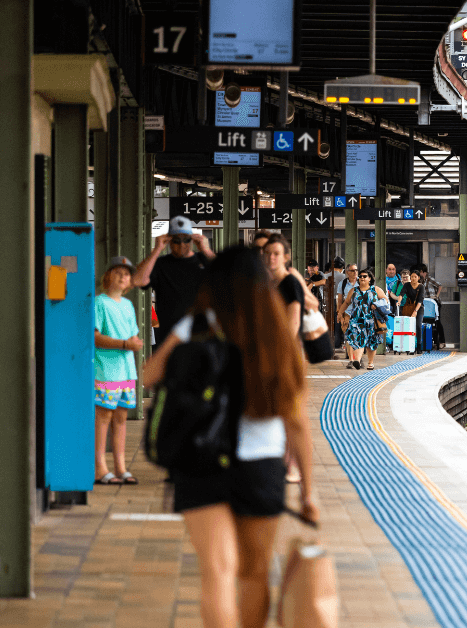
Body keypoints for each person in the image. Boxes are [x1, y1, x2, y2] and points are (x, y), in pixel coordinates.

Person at [143, 246, 316, 628]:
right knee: (253, 574)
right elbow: (297, 422)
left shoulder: (199, 324)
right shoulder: (275, 333)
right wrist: (308, 493)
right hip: (261, 466)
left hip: (200, 461)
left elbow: (149, 375)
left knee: (217, 573)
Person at [93, 256, 143, 485]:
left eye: (127, 274)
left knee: (121, 417)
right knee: (104, 417)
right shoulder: (99, 303)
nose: (123, 277)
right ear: (108, 276)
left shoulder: (128, 305)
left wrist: (133, 343)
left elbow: (132, 334)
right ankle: (99, 466)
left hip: (126, 371)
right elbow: (94, 337)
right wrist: (125, 345)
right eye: (118, 272)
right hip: (106, 369)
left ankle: (120, 466)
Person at [132, 216, 214, 347]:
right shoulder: (161, 264)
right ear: (169, 241)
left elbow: (228, 275)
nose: (182, 244)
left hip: (201, 334)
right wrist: (157, 249)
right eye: (176, 240)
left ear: (192, 240)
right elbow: (138, 281)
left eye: (186, 239)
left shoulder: (203, 260)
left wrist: (206, 250)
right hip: (169, 337)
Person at [339, 270, 389, 370]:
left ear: (369, 278)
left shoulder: (376, 289)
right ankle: (357, 360)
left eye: (364, 276)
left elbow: (385, 300)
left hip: (372, 320)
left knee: (372, 342)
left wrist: (376, 304)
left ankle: (370, 363)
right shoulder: (353, 291)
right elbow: (346, 303)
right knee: (358, 338)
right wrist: (340, 313)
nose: (362, 278)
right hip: (357, 320)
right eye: (360, 276)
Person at [263, 234, 305, 339]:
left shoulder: (290, 283)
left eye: (276, 254)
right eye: (267, 253)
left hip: (284, 350)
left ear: (286, 257)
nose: (271, 257)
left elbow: (293, 327)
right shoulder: (269, 283)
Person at [398, 271, 424, 354]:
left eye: (415, 277)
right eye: (412, 276)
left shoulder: (421, 287)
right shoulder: (407, 285)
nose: (413, 278)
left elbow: (420, 300)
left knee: (418, 326)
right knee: (408, 326)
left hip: (419, 308)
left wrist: (415, 311)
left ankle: (419, 346)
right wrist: (399, 301)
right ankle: (410, 346)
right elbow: (401, 294)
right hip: (408, 307)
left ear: (418, 278)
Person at [326, 258, 347, 350]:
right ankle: (338, 342)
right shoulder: (344, 277)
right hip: (340, 301)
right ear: (342, 267)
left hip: (328, 301)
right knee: (339, 322)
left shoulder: (326, 276)